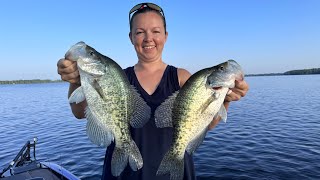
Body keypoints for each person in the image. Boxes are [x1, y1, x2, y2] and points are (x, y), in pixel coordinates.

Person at [57, 2, 249, 180]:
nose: (149, 38)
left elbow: (206, 123)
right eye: (140, 32)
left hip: (176, 172)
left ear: (165, 35)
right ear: (131, 37)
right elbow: (78, 112)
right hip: (124, 175)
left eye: (156, 31)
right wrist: (75, 80)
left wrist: (225, 100)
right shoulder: (117, 78)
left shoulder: (182, 77)